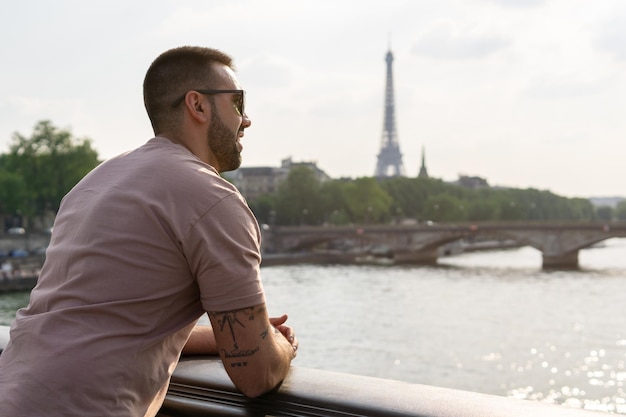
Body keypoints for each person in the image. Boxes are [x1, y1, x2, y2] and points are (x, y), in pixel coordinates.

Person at [0, 46, 298, 417]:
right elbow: (257, 374)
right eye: (237, 103)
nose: (247, 119)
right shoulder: (212, 198)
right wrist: (280, 346)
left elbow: (105, 318)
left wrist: (229, 334)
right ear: (199, 106)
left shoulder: (95, 182)